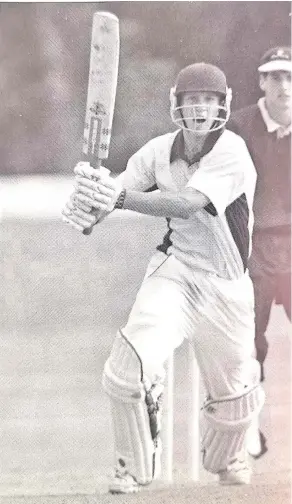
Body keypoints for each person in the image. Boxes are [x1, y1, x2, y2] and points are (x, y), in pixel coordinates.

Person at [62, 63, 265, 494]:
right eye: (192, 100)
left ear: (221, 105)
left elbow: (187, 204)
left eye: (208, 101)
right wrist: (91, 196)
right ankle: (131, 466)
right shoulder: (157, 151)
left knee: (234, 403)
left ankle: (228, 457)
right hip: (176, 272)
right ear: (178, 104)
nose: (200, 109)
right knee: (127, 368)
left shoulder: (231, 151)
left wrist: (116, 197)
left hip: (227, 286)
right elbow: (114, 195)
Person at [227, 47, 291, 458]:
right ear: (262, 82)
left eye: (289, 77)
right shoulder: (238, 127)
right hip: (255, 249)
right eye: (275, 78)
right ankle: (248, 430)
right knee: (249, 344)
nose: (284, 86)